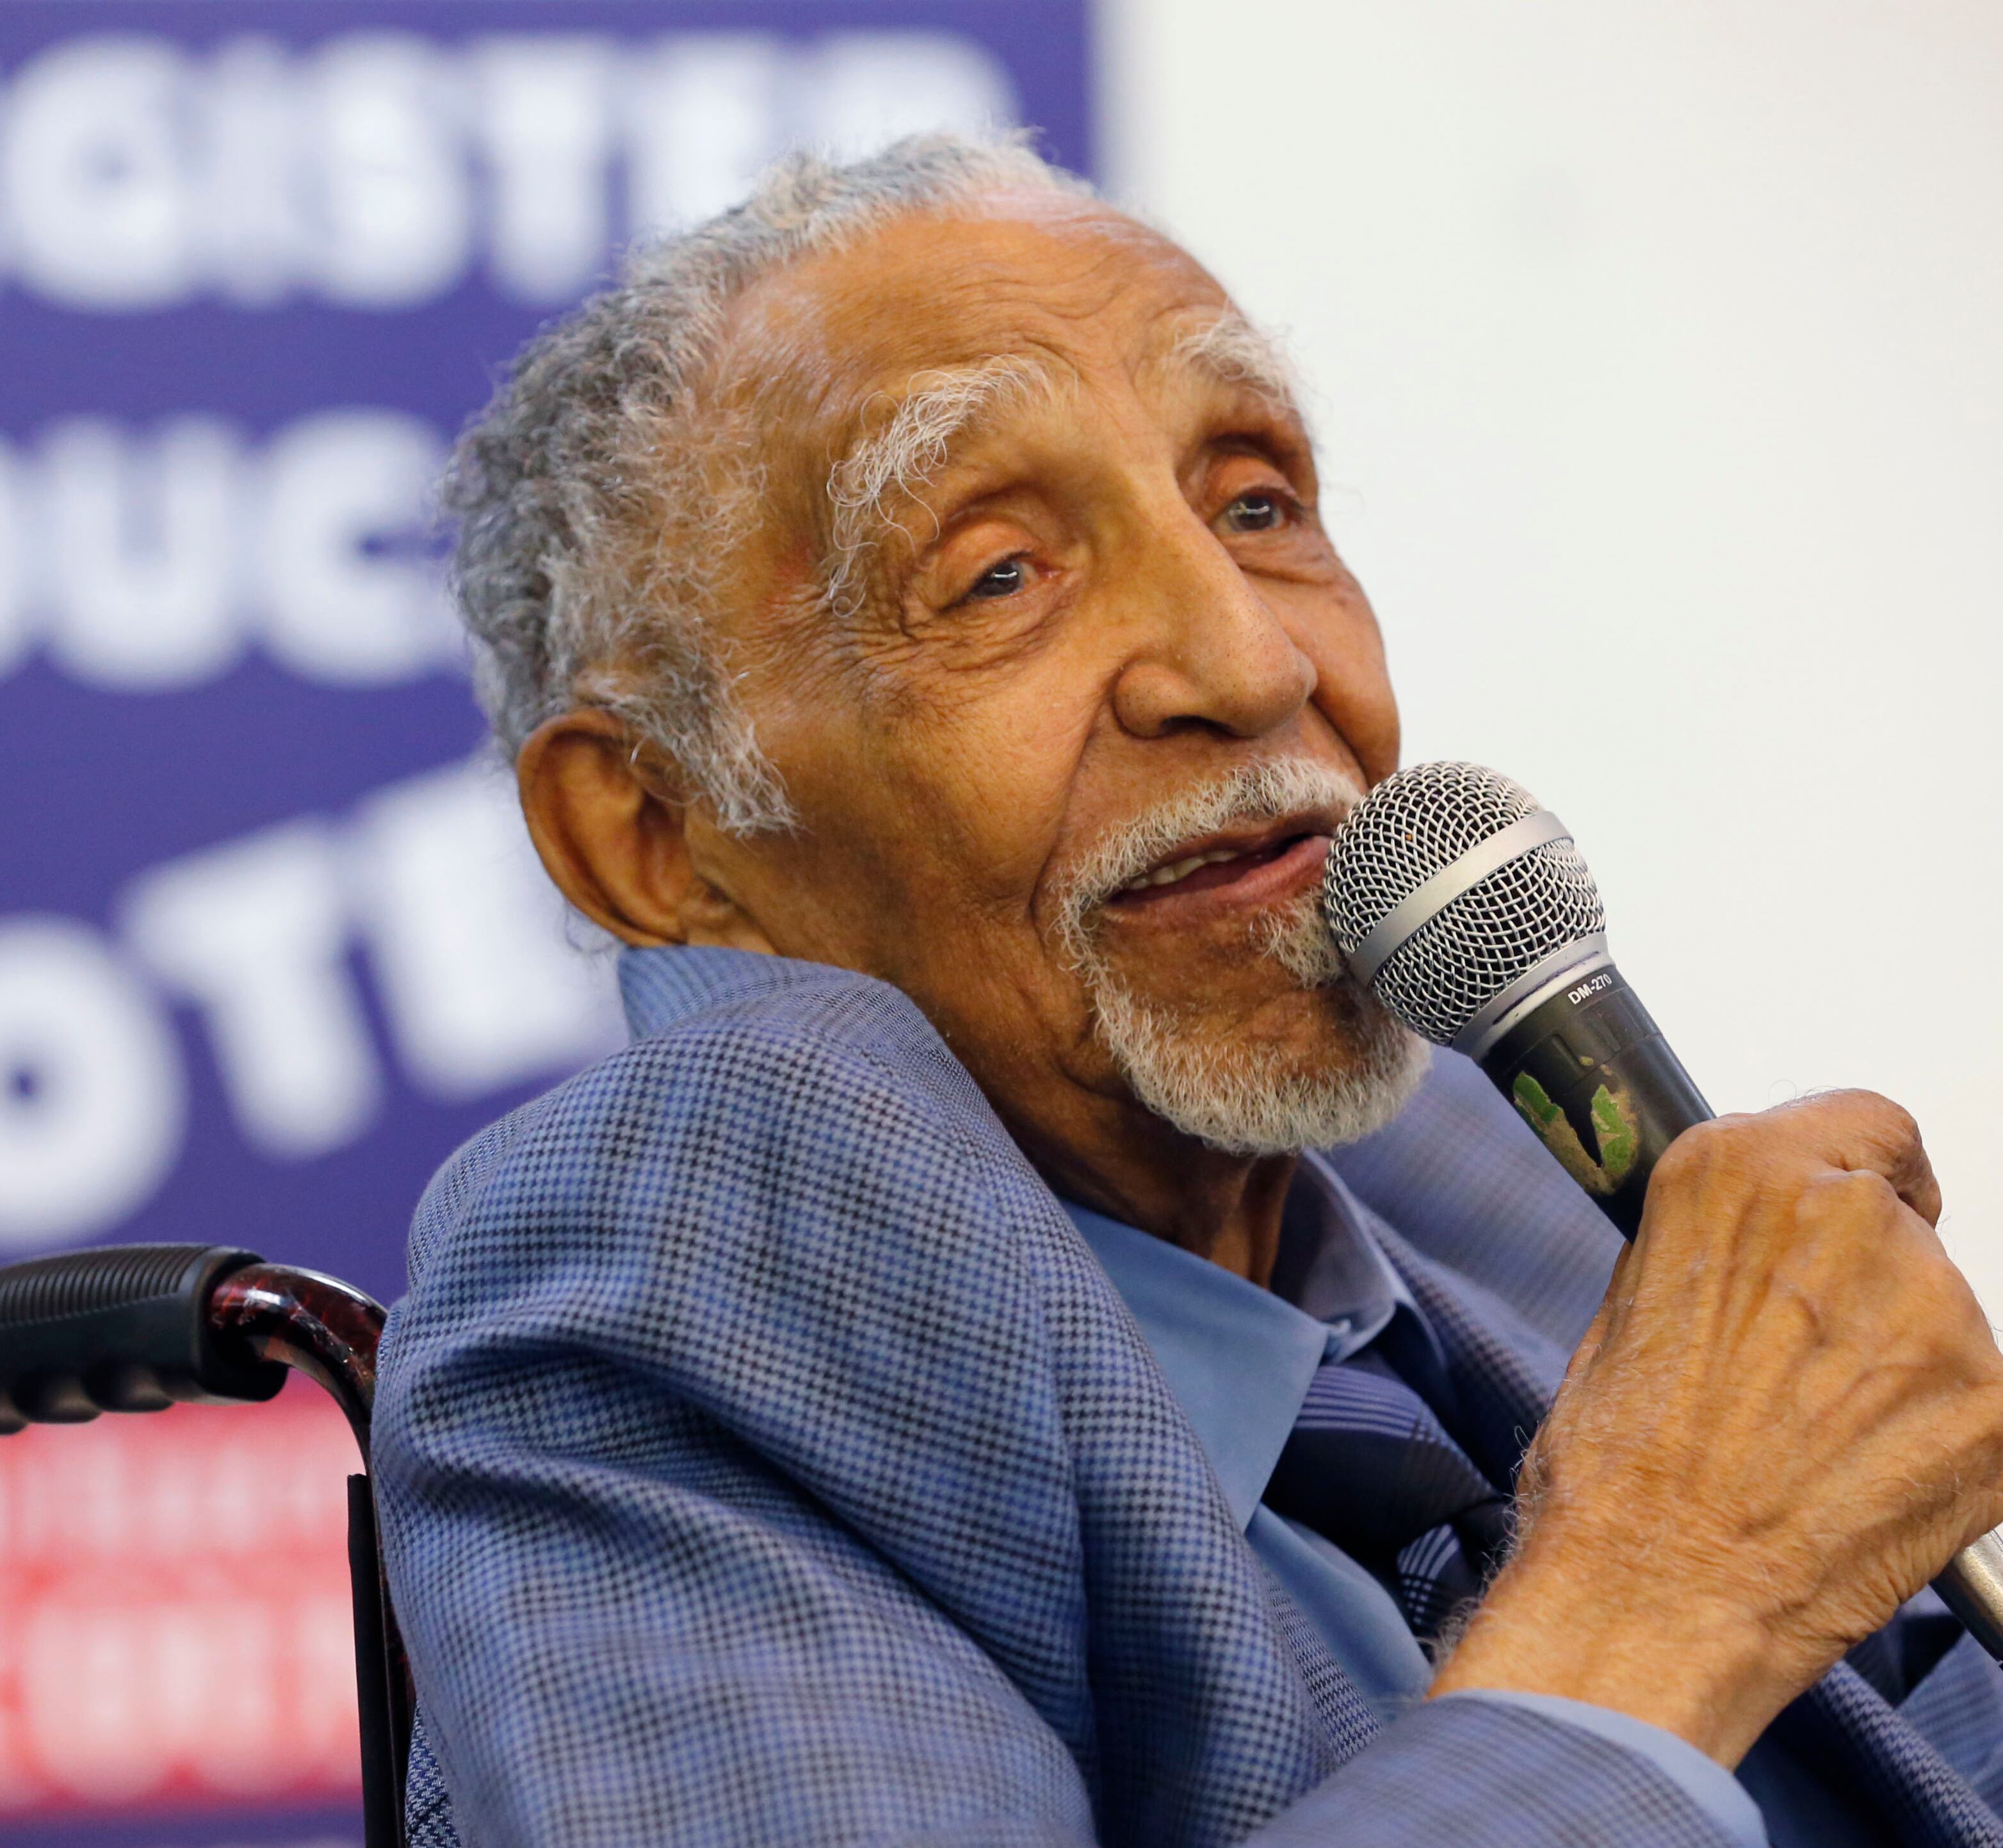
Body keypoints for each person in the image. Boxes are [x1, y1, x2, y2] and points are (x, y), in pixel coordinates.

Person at [374, 135, 2003, 1847]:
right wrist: (1668, 1584)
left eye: (1255, 503)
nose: (1252, 660)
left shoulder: (1467, 1146)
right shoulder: (667, 1263)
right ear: (658, 836)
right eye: (999, 574)